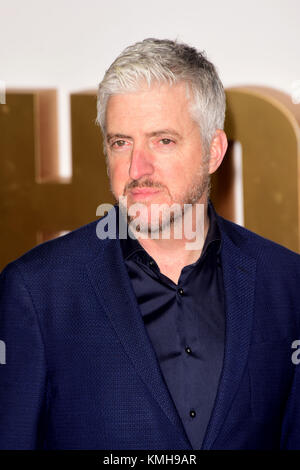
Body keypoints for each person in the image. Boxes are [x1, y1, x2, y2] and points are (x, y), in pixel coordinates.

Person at [0, 38, 300, 450]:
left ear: (213, 151)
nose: (137, 169)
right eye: (121, 142)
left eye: (163, 140)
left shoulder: (286, 283)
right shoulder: (37, 292)